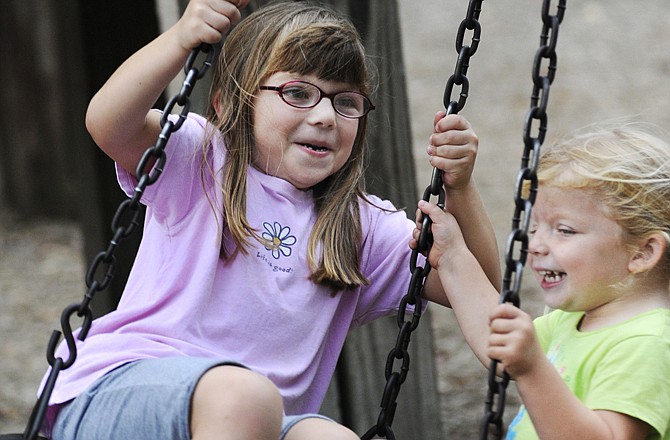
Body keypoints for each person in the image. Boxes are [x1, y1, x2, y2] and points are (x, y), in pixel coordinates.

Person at [40, 1, 502, 439]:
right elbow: (108, 124)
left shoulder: (362, 225)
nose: (324, 116)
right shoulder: (202, 161)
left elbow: (476, 284)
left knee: (328, 434)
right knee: (245, 396)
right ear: (226, 104)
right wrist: (181, 38)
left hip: (258, 420)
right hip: (121, 391)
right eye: (297, 93)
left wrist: (459, 187)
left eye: (346, 102)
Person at [414, 121, 670, 439]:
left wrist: (533, 368)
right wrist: (452, 257)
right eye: (536, 229)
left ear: (643, 253)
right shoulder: (576, 319)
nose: (535, 245)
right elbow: (495, 340)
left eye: (564, 230)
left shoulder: (647, 344)